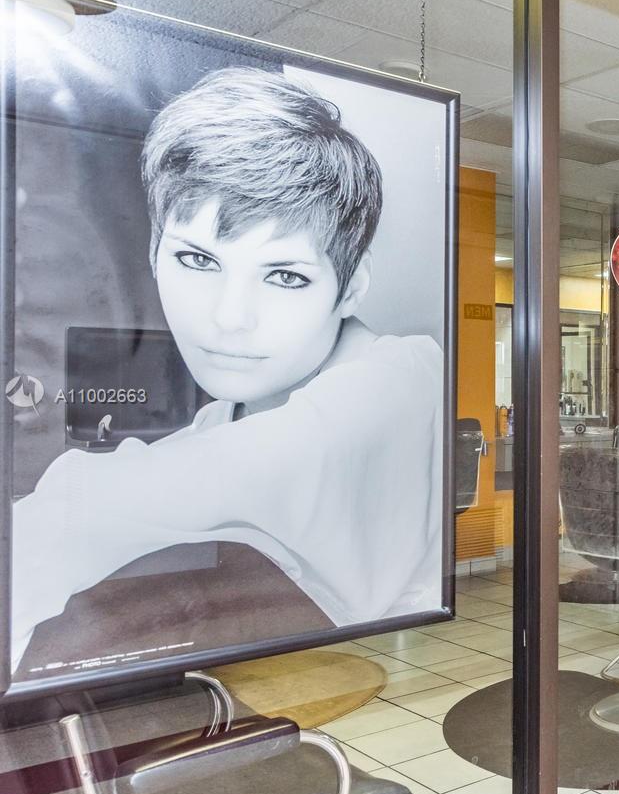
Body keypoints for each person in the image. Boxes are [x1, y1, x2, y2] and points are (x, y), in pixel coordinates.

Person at [9, 67, 443, 673]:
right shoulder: (226, 420)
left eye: (285, 275)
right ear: (154, 254)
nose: (229, 318)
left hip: (397, 690)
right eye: (197, 260)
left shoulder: (403, 378)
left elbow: (119, 499)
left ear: (351, 287)